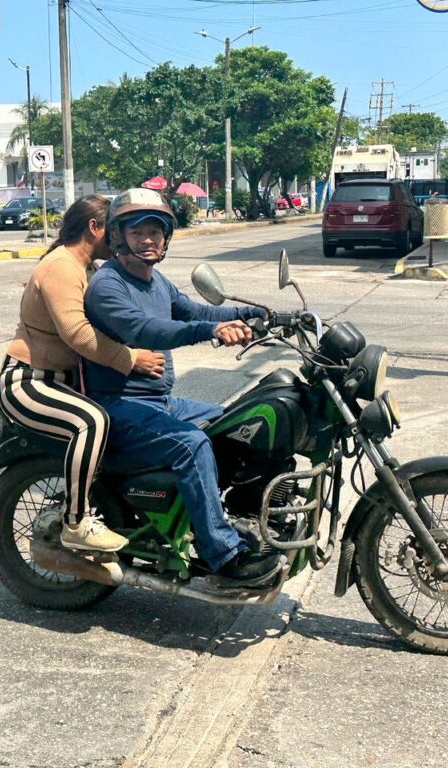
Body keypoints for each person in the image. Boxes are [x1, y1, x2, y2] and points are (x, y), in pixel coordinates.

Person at [82, 189, 283, 587]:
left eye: (156, 231)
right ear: (119, 236)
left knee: (238, 424)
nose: (148, 239)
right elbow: (145, 329)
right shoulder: (108, 285)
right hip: (117, 404)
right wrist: (210, 331)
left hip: (158, 401)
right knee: (192, 444)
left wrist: (259, 313)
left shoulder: (156, 282)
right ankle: (224, 556)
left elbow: (199, 310)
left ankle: (233, 516)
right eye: (137, 231)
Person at [0, 195, 166, 553]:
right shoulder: (62, 266)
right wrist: (130, 358)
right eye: (116, 231)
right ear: (94, 227)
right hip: (29, 382)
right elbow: (77, 333)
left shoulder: (87, 268)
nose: (121, 240)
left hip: (63, 381)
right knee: (92, 422)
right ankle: (75, 523)